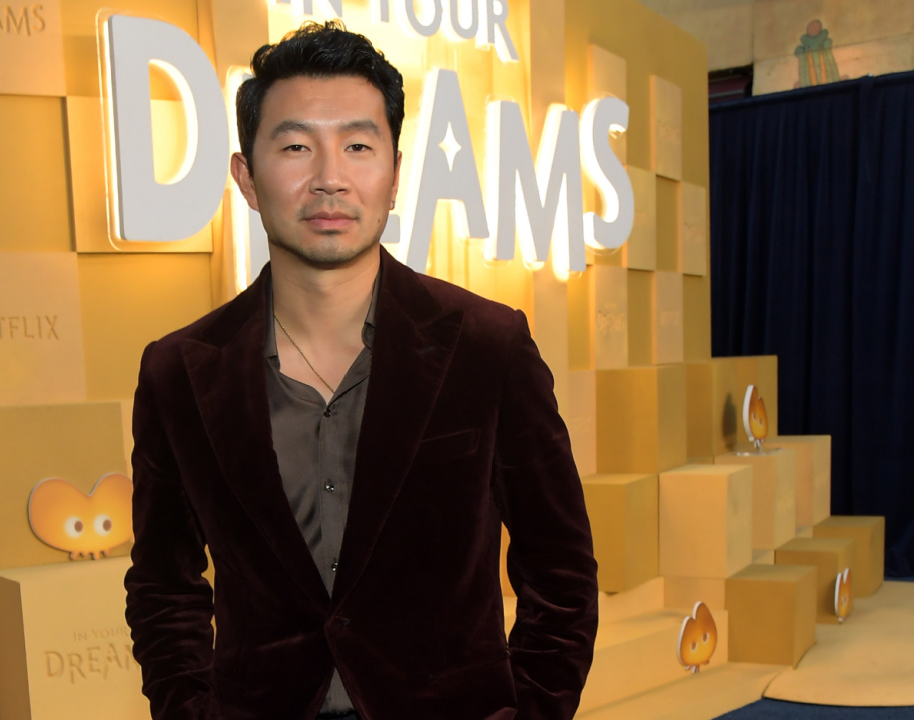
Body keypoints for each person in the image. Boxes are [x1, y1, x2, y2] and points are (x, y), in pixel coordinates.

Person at [125, 20, 598, 720]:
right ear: (247, 178)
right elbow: (165, 584)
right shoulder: (180, 372)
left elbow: (559, 570)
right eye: (294, 147)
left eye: (357, 145)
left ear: (395, 174)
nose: (329, 178)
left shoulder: (488, 347)